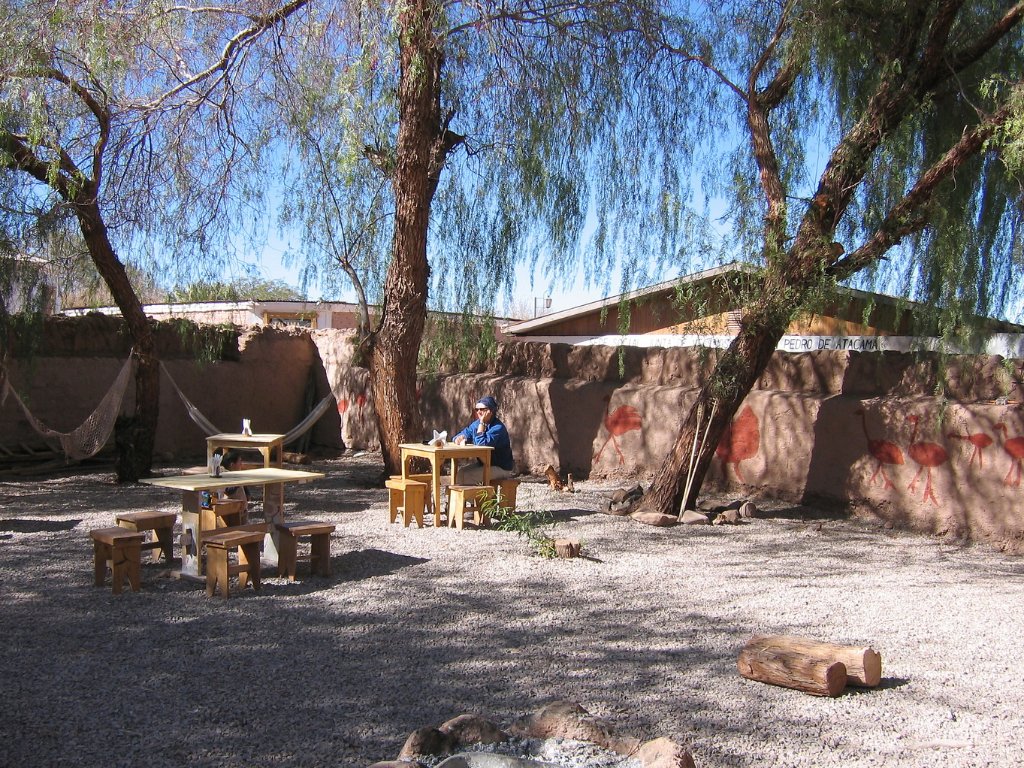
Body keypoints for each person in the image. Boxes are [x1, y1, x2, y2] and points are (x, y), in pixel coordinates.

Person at [452, 395, 516, 484]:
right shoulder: (476, 424)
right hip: (486, 464)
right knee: (460, 474)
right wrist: (458, 438)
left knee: (468, 476)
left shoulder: (498, 428)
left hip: (500, 467)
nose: (479, 412)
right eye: (477, 409)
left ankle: (473, 497)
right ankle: (462, 498)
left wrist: (482, 422)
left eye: (482, 409)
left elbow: (481, 444)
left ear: (490, 411)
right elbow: (464, 433)